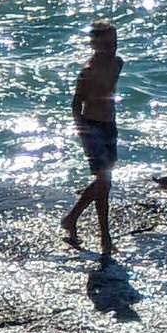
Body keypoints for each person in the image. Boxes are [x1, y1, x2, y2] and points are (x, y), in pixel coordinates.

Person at [59, 20, 121, 259]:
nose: (112, 48)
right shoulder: (87, 71)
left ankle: (85, 226)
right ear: (95, 45)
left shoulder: (117, 64)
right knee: (103, 181)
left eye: (114, 43)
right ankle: (96, 232)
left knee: (105, 184)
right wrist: (81, 129)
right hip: (91, 126)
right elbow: (76, 104)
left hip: (109, 126)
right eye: (106, 44)